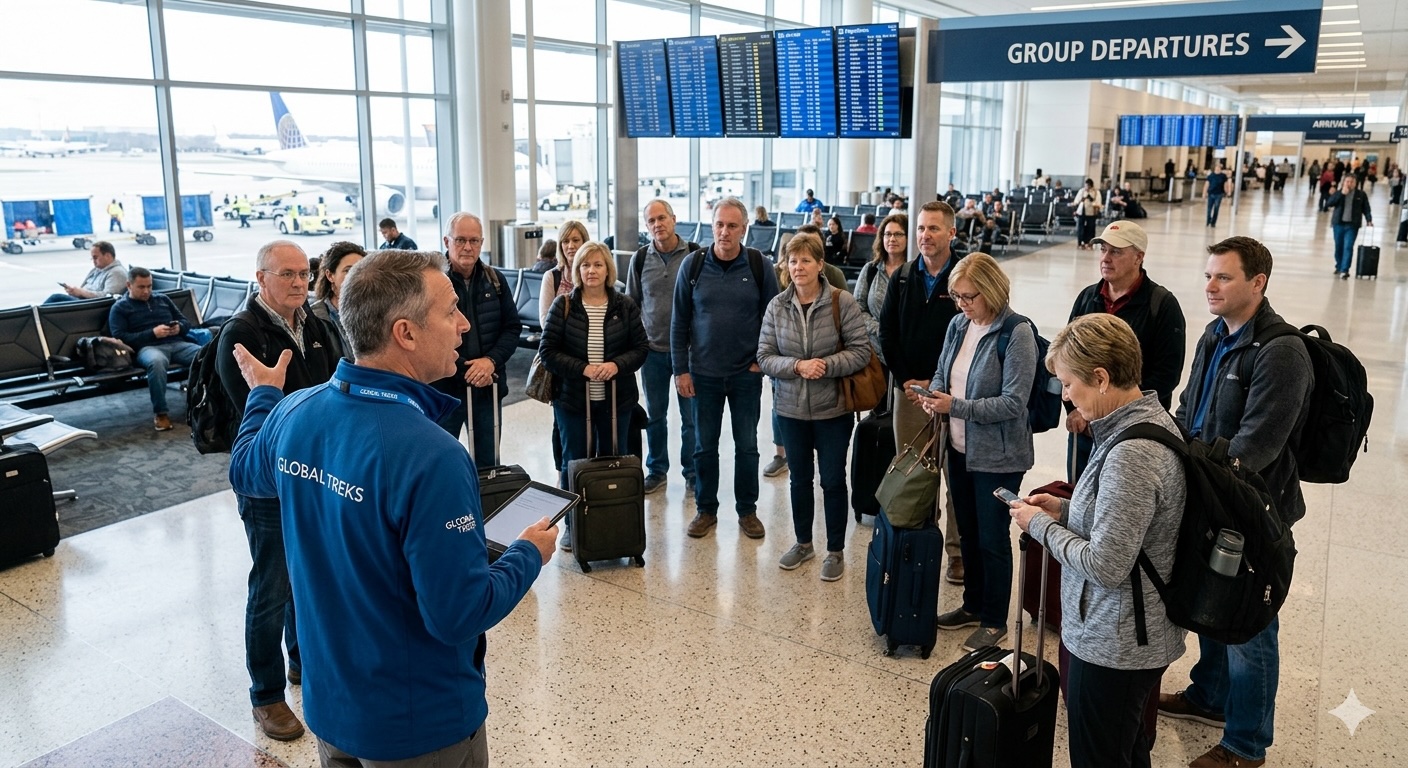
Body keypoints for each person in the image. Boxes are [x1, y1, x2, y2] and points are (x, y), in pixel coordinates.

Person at [227, 249, 558, 765]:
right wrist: (527, 554)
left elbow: (245, 471)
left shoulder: (296, 411)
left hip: (331, 708)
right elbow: (459, 613)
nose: (464, 324)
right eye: (450, 312)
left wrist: (265, 397)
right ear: (405, 333)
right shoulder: (433, 456)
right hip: (418, 726)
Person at [1158, 236, 1313, 768]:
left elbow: (1258, 447)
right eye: (1207, 276)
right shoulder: (1213, 335)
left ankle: (1247, 744)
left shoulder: (1282, 351)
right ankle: (1208, 696)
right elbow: (1188, 409)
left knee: (1251, 621)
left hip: (1253, 510)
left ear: (1258, 282)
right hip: (1211, 499)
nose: (1210, 286)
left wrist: (1197, 477)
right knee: (1213, 602)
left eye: (1223, 277)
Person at [1010, 313, 1187, 768]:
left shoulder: (1132, 453)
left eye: (1069, 384)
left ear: (1102, 378)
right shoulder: (1141, 421)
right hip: (1130, 632)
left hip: (1117, 643)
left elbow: (1107, 564)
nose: (1065, 395)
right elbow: (1125, 525)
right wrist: (1062, 510)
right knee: (1126, 751)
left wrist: (1038, 526)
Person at [214, 240, 340, 742]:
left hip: (314, 473)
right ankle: (265, 695)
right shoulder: (240, 334)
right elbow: (255, 419)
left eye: (304, 274)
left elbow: (332, 390)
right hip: (267, 483)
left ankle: (300, 662)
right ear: (261, 277)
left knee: (302, 575)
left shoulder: (318, 324)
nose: (297, 282)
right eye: (285, 274)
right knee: (270, 586)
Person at [918, 252, 1035, 651]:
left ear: (992, 290)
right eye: (958, 297)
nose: (963, 305)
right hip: (959, 448)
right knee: (967, 532)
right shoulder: (958, 325)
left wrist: (957, 407)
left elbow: (1013, 403)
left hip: (999, 457)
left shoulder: (1017, 333)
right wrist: (933, 395)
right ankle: (971, 603)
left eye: (969, 297)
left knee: (991, 538)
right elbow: (942, 370)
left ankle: (993, 618)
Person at [757, 232, 870, 581]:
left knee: (833, 480)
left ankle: (835, 550)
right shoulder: (777, 305)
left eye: (806, 260)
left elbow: (861, 350)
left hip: (833, 410)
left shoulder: (842, 302)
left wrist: (825, 365)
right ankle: (804, 542)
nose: (798, 267)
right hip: (790, 411)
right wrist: (796, 367)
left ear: (821, 265)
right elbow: (764, 356)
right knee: (799, 480)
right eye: (793, 261)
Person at [671, 197, 779, 540]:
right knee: (704, 446)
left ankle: (747, 510)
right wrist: (680, 370)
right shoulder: (693, 266)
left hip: (745, 375)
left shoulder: (759, 265)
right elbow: (679, 323)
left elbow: (773, 320)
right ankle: (706, 510)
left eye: (732, 225)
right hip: (703, 374)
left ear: (744, 229)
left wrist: (759, 363)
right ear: (712, 225)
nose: (724, 231)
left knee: (747, 445)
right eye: (719, 224)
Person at [540, 242, 649, 546]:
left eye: (598, 265)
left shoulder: (624, 305)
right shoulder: (563, 306)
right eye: (586, 265)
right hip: (573, 401)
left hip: (617, 401)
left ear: (608, 270)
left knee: (612, 461)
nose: (591, 271)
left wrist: (616, 365)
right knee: (573, 461)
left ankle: (610, 521)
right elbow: (548, 352)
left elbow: (641, 349)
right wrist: (583, 369)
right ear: (577, 270)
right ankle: (574, 527)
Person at [878, 201, 965, 584]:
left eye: (933, 228)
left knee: (956, 474)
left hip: (955, 395)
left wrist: (938, 383)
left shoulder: (966, 276)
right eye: (920, 229)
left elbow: (974, 334)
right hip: (910, 393)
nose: (924, 236)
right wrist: (907, 382)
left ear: (951, 233)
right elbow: (887, 334)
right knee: (914, 469)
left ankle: (957, 553)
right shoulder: (902, 278)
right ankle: (919, 538)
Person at [1066, 221, 1186, 480]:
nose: (1106, 258)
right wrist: (1075, 411)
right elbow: (1067, 361)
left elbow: (1166, 375)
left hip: (1134, 432)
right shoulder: (1088, 298)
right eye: (1103, 250)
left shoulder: (1162, 306)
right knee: (1077, 502)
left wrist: (1113, 412)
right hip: (1086, 427)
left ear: (1139, 257)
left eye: (1116, 252)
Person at [430, 213, 521, 463]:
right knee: (440, 460)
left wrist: (489, 362)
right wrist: (468, 370)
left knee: (488, 461)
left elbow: (512, 328)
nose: (467, 247)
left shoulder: (495, 280)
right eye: (460, 240)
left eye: (474, 240)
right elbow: (427, 335)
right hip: (444, 390)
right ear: (446, 241)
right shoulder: (432, 283)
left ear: (482, 243)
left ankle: (485, 504)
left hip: (487, 388)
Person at [628, 199, 698, 496]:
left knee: (690, 418)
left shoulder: (695, 255)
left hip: (690, 354)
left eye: (662, 218)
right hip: (653, 352)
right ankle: (657, 470)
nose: (657, 225)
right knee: (655, 416)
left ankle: (693, 473)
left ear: (674, 219)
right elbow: (632, 304)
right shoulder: (641, 258)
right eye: (651, 221)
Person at [107, 267, 203, 432]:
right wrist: (152, 333)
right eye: (141, 287)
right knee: (157, 363)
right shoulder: (120, 308)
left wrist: (179, 328)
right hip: (148, 348)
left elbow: (185, 322)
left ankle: (210, 403)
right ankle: (161, 413)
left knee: (207, 355)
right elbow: (120, 337)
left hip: (177, 343)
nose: (147, 291)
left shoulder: (162, 299)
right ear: (129, 285)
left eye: (149, 286)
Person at [854, 213, 908, 367]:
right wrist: (880, 329)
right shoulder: (871, 270)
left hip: (906, 353)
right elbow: (857, 308)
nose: (892, 239)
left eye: (898, 234)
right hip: (873, 352)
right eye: (888, 234)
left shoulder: (915, 272)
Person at [309, 241, 366, 358]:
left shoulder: (376, 312)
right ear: (330, 275)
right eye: (348, 270)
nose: (356, 276)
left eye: (361, 270)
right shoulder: (315, 318)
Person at [45, 241, 128, 303]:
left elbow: (109, 297)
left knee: (56, 298)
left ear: (107, 256)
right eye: (92, 258)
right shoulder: (96, 270)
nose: (93, 261)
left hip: (92, 307)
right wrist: (75, 291)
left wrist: (82, 293)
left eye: (95, 257)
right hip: (84, 301)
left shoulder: (117, 273)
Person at [1325, 175, 1373, 279]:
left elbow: (1366, 208)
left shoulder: (1361, 194)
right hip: (1338, 224)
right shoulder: (1338, 193)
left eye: (1351, 182)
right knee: (1339, 246)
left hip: (1352, 225)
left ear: (1355, 183)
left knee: (1348, 246)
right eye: (1347, 181)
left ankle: (1344, 269)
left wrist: (1369, 219)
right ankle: (1339, 265)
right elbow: (1329, 204)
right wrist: (1341, 194)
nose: (1349, 184)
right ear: (1343, 183)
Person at [542, 220, 588, 326]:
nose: (570, 246)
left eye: (575, 240)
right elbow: (545, 320)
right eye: (566, 241)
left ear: (584, 243)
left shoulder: (593, 274)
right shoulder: (551, 277)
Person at [1074, 179, 1101, 250]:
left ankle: (1089, 243)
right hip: (1082, 212)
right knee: (1081, 228)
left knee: (1090, 228)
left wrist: (1092, 200)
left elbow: (1098, 202)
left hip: (1091, 212)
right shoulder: (1082, 191)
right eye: (1086, 186)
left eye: (1088, 186)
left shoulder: (1096, 192)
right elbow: (1076, 200)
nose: (1087, 188)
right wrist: (1081, 200)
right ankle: (1080, 242)